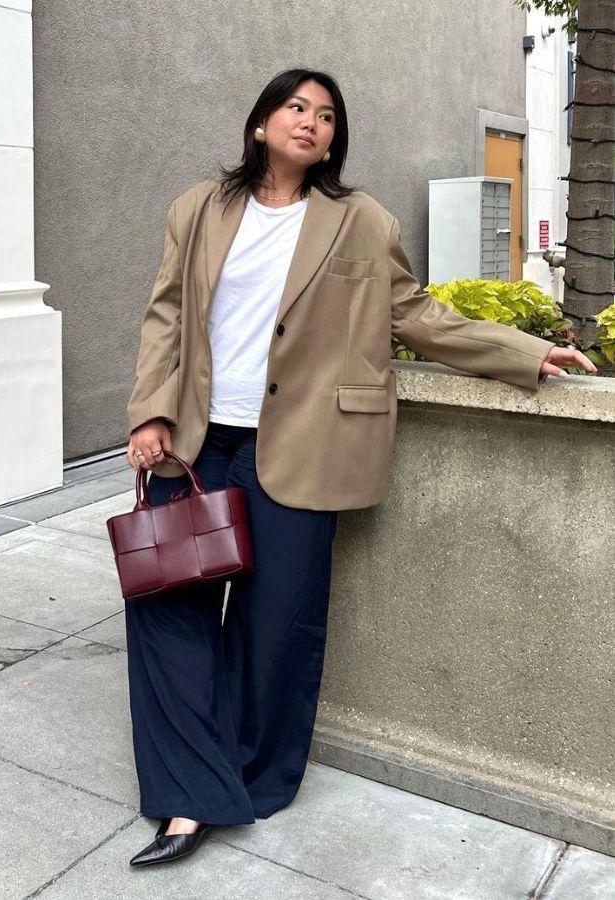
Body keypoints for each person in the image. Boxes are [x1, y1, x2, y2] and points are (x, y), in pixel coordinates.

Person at [123, 68, 598, 867]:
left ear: (332, 141)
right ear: (261, 122)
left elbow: (412, 312)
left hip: (304, 445)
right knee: (167, 614)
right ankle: (186, 794)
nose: (309, 121)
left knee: (276, 627)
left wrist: (522, 352)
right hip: (195, 444)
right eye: (294, 107)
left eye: (326, 115)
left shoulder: (360, 220)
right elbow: (165, 314)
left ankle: (246, 781)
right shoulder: (198, 209)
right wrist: (150, 410)